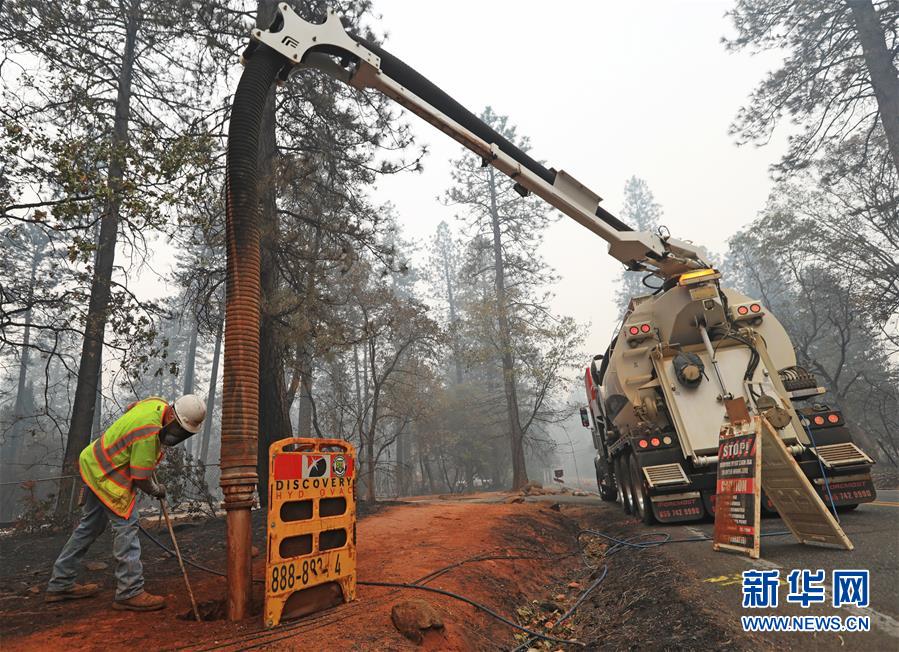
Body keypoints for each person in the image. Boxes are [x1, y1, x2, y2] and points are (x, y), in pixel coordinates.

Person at [45, 394, 206, 611]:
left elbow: (131, 407)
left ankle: (60, 582)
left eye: (182, 432)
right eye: (177, 428)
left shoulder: (155, 404)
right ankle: (129, 591)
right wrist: (157, 490)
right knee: (127, 526)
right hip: (107, 477)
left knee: (90, 526)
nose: (176, 434)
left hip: (93, 461)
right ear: (171, 414)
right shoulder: (148, 434)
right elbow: (140, 478)